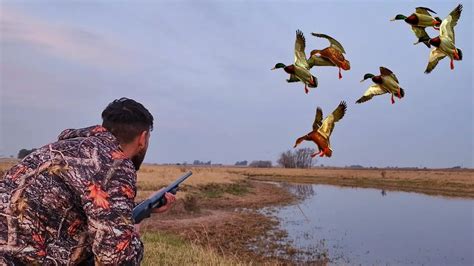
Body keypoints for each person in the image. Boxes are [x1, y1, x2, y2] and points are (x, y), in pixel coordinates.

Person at [0, 98, 175, 265]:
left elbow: (92, 205)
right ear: (143, 138)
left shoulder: (59, 148)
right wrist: (132, 235)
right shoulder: (115, 162)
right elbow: (114, 259)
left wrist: (141, 207)